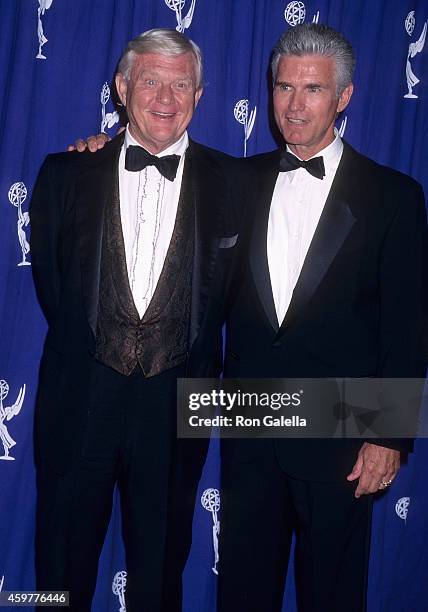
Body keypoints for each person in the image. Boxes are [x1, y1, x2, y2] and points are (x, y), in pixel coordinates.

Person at [218, 24, 428, 612]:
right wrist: (96, 150)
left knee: (334, 596)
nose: (293, 105)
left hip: (342, 439)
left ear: (344, 96)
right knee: (242, 592)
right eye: (284, 87)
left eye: (312, 89)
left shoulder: (394, 196)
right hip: (251, 429)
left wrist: (389, 437)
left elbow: (407, 327)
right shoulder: (236, 181)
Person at [30, 28, 239, 612]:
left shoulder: (236, 185)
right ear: (122, 88)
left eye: (181, 84)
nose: (165, 97)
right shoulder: (65, 176)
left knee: (160, 573)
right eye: (150, 80)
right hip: (81, 397)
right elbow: (54, 286)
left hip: (176, 409)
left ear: (199, 96)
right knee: (59, 570)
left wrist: (369, 410)